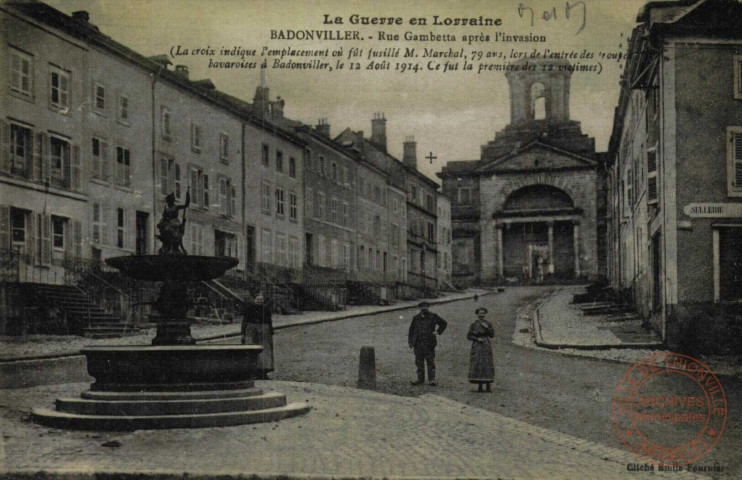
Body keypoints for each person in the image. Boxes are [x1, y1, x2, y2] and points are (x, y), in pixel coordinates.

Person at [408, 301, 447, 386]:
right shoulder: (416, 318)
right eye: (422, 307)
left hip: (429, 343)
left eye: (425, 306)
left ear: (428, 307)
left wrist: (437, 332)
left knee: (430, 361)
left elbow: (443, 323)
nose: (424, 308)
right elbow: (411, 330)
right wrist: (411, 342)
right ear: (419, 308)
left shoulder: (433, 316)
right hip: (418, 343)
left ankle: (431, 380)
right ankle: (420, 379)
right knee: (419, 362)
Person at [241, 292, 274, 379]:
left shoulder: (266, 310)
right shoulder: (249, 309)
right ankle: (253, 372)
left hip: (264, 331)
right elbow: (244, 321)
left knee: (265, 350)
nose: (259, 301)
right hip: (251, 331)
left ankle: (263, 372)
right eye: (257, 299)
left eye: (261, 299)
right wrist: (243, 333)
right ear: (254, 300)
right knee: (251, 349)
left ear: (263, 301)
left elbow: (269, 321)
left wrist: (271, 331)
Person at [467, 307, 495, 392]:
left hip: (486, 344)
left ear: (485, 314)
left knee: (487, 363)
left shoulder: (488, 323)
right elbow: (469, 335)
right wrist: (476, 339)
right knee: (478, 363)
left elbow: (492, 335)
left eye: (483, 313)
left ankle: (488, 386)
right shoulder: (474, 324)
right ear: (477, 314)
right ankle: (480, 386)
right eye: (480, 313)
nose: (481, 315)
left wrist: (487, 328)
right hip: (477, 345)